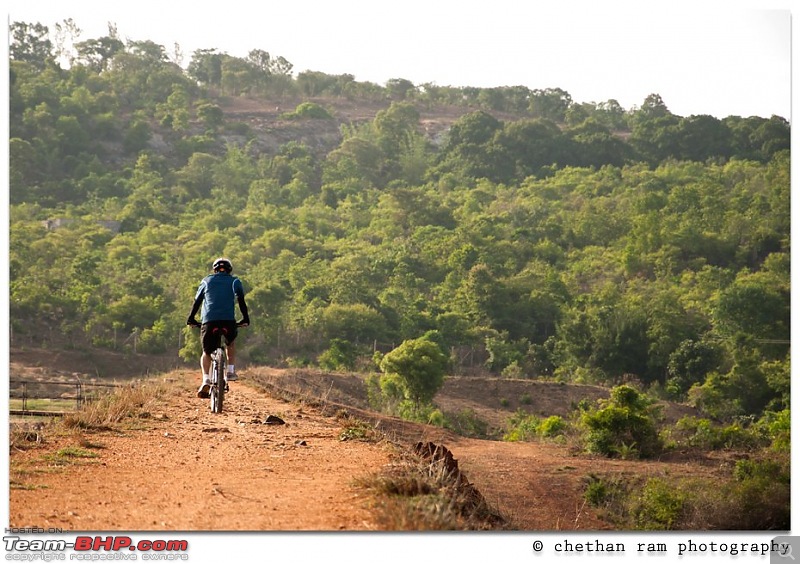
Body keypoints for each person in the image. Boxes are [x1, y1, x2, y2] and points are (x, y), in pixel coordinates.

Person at [186, 257, 250, 398]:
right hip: (228, 321)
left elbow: (197, 301)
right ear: (229, 270)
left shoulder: (206, 281)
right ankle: (231, 371)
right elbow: (241, 301)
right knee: (230, 342)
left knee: (206, 352)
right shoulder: (235, 281)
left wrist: (191, 318)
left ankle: (206, 380)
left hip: (209, 321)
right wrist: (245, 319)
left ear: (214, 269)